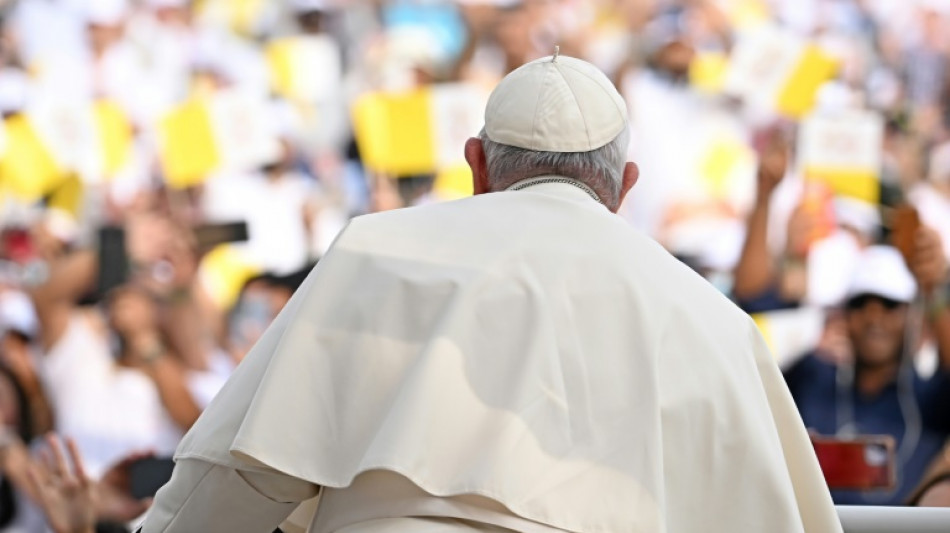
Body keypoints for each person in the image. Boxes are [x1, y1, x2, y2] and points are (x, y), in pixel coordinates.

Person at [139, 55, 840, 532]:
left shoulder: (377, 250)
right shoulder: (714, 323)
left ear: (475, 165)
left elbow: (232, 477)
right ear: (625, 186)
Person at [783, 242, 950, 505]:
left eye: (889, 304)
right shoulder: (812, 378)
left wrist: (936, 295)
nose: (874, 317)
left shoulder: (929, 398)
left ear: (911, 316)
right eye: (860, 303)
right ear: (844, 315)